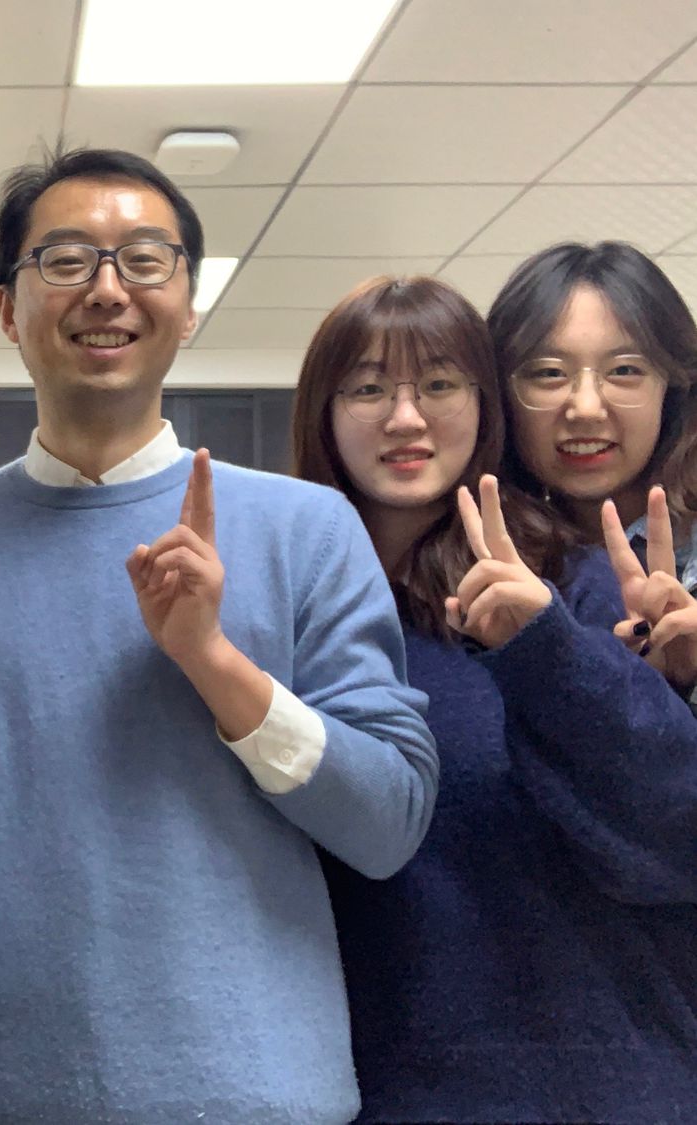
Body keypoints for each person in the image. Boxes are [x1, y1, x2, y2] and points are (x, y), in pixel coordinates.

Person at [0, 148, 437, 1125]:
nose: (106, 288)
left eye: (144, 259)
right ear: (6, 307)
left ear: (190, 301)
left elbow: (387, 826)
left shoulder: (306, 529)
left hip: (257, 1094)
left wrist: (214, 661)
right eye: (65, 259)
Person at [294, 274, 697, 1122]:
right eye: (367, 388)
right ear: (322, 414)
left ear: (485, 409)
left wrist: (542, 647)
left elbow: (672, 840)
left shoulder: (580, 587)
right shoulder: (290, 617)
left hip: (596, 1088)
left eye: (441, 384)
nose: (406, 419)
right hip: (369, 1088)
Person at [488, 241, 697, 696]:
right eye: (548, 373)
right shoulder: (477, 554)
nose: (585, 408)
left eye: (624, 370)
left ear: (674, 387)